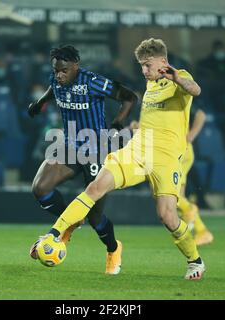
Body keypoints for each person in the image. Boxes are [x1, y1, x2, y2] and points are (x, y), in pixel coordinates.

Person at [32, 38, 206, 280]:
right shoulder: (152, 86)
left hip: (166, 159)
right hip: (138, 151)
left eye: (147, 65)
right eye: (141, 66)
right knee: (95, 188)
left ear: (163, 62)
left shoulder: (179, 77)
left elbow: (195, 90)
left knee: (167, 216)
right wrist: (134, 128)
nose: (144, 71)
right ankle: (55, 234)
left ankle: (195, 260)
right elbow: (154, 122)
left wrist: (178, 77)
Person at [27, 45, 138, 275]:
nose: (59, 75)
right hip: (69, 146)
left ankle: (114, 249)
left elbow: (129, 97)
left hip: (96, 150)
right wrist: (40, 103)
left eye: (64, 70)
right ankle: (69, 223)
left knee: (96, 218)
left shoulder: (92, 81)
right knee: (40, 187)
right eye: (56, 70)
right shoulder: (57, 79)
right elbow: (53, 88)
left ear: (76, 66)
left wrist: (117, 125)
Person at [126, 106, 214, 246]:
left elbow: (201, 113)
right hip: (171, 150)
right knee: (173, 197)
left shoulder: (173, 95)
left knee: (166, 195)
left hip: (175, 151)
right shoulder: (159, 100)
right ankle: (202, 231)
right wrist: (139, 126)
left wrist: (190, 135)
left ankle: (190, 210)